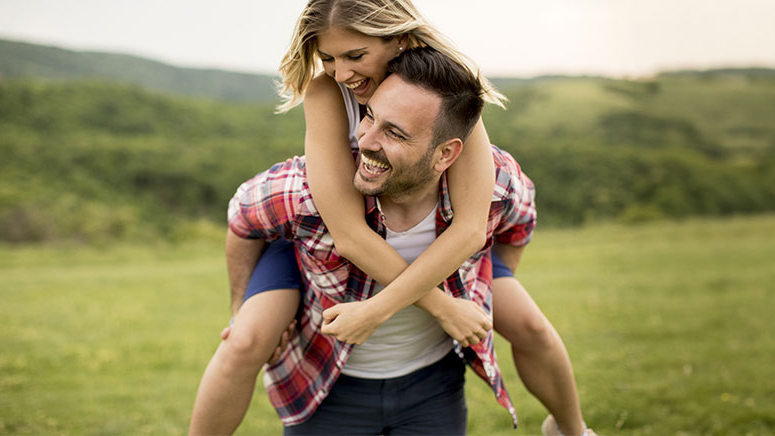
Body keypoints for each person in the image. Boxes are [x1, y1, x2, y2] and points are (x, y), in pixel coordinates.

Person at [189, 1, 592, 435]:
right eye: (328, 57)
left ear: (398, 39)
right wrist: (442, 307)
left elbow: (473, 227)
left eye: (355, 56)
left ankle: (570, 428)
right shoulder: (328, 92)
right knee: (244, 340)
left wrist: (473, 289)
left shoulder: (445, 93)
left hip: (436, 238)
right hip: (319, 234)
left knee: (531, 324)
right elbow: (347, 234)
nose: (341, 72)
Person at [227, 46, 529, 434]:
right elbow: (242, 214)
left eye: (394, 133)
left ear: (446, 154)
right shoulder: (306, 191)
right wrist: (239, 306)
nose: (365, 141)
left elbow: (520, 219)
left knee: (534, 331)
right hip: (330, 384)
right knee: (240, 344)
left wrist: (485, 282)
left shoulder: (493, 182)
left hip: (432, 385)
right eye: (369, 116)